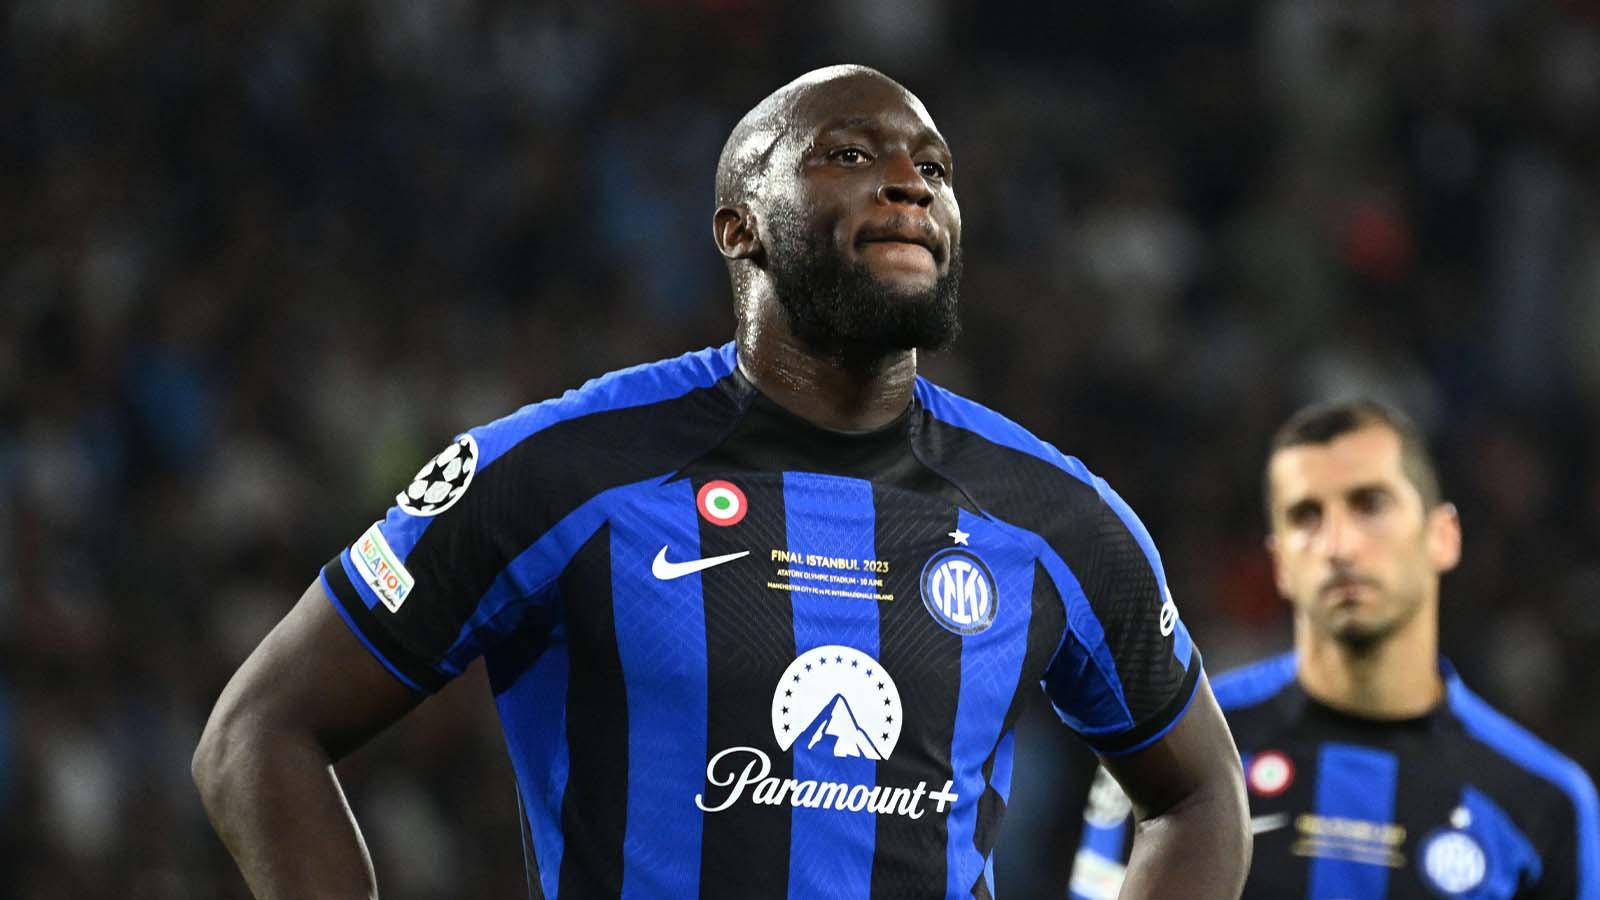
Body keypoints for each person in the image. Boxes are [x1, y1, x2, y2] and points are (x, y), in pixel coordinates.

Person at [193, 64, 1249, 899]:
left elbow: (1201, 796)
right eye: (847, 153)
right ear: (737, 225)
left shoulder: (1055, 516)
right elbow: (258, 733)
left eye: (933, 166)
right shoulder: (560, 471)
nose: (909, 182)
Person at [1067, 399, 1599, 899]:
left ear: (1443, 535)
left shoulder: (1545, 801)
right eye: (1305, 516)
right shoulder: (1173, 746)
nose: (1339, 545)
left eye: (1370, 504)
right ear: (1279, 563)